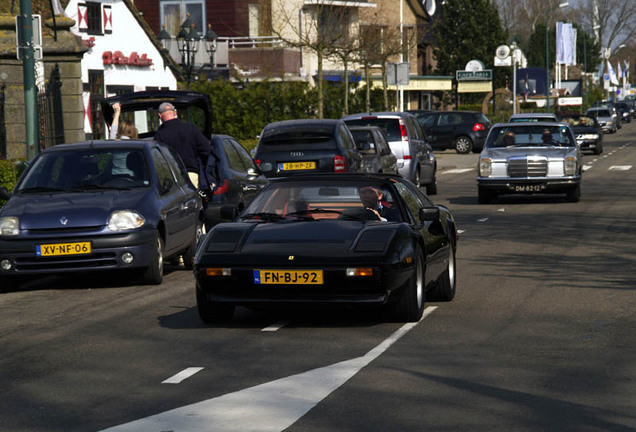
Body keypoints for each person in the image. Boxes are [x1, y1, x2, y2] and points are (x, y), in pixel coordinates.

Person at [154, 101, 211, 189]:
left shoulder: (159, 135)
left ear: (160, 116)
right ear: (175, 112)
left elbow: (158, 160)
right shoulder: (190, 128)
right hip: (191, 174)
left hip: (171, 177)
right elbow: (206, 149)